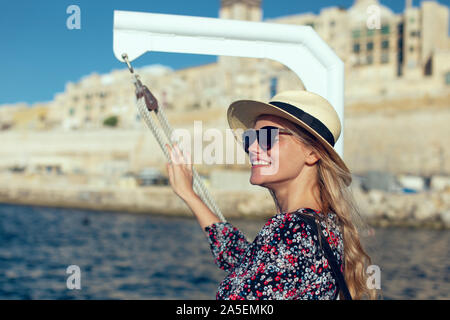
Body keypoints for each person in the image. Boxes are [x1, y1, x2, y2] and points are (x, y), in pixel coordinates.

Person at [165, 90, 377, 300]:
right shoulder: (323, 228)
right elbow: (243, 258)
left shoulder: (292, 231)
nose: (252, 148)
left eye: (267, 137)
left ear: (312, 153)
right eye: (250, 138)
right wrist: (189, 194)